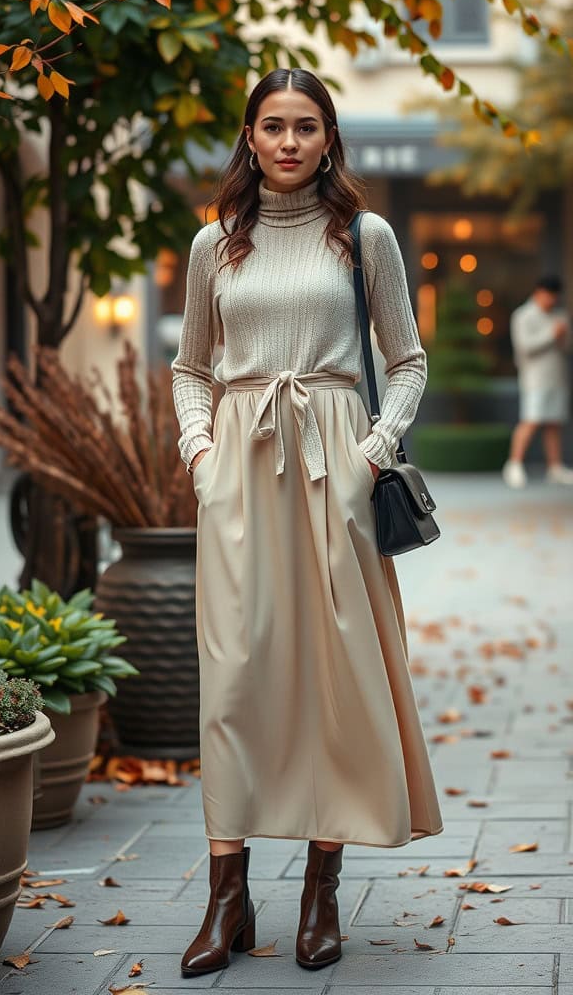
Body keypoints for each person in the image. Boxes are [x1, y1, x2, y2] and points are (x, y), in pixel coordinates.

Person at [171, 68, 443, 980]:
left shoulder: (363, 236)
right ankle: (228, 895)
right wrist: (202, 456)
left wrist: (372, 451)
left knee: (337, 671)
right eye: (273, 127)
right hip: (238, 474)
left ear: (330, 139)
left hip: (337, 469)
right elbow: (190, 368)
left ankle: (322, 890)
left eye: (308, 127)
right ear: (249, 138)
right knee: (236, 674)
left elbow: (405, 360)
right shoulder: (217, 243)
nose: (289, 142)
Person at [503, 275, 573, 488]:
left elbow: (567, 347)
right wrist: (552, 334)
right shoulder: (523, 315)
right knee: (531, 420)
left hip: (557, 377)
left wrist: (561, 337)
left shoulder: (560, 315)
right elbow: (524, 346)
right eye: (549, 295)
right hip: (535, 378)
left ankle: (555, 467)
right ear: (539, 292)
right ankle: (513, 465)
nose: (551, 300)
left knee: (554, 423)